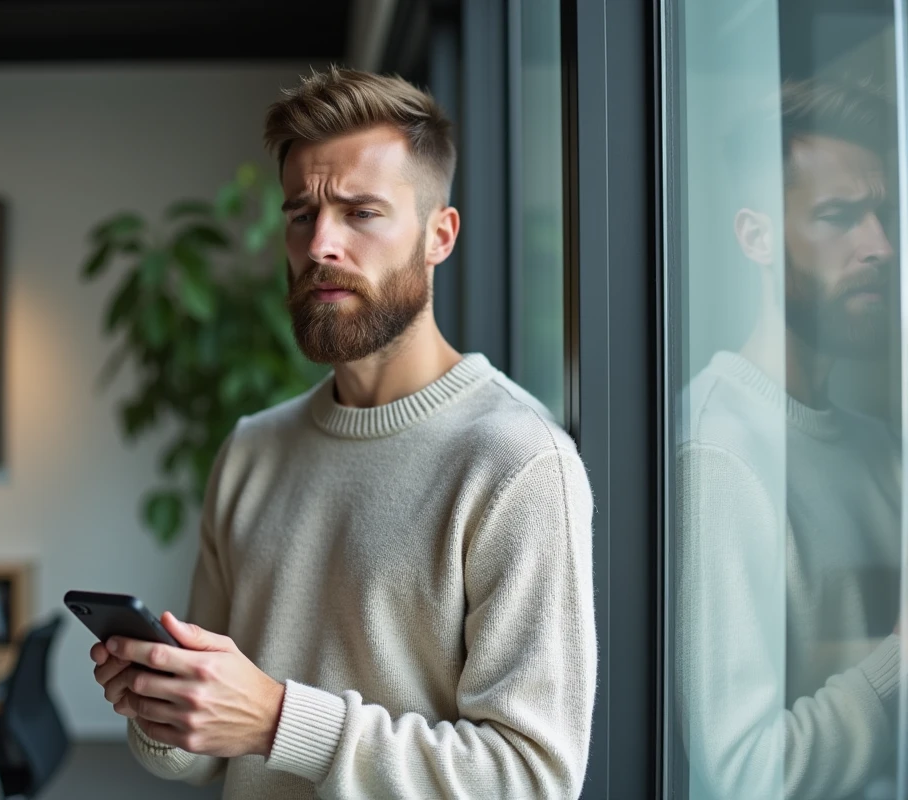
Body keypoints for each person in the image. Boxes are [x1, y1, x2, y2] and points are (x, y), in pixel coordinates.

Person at [90, 67, 596, 799]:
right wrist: (164, 708)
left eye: (361, 213)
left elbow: (532, 778)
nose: (321, 243)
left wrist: (279, 722)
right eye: (302, 215)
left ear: (439, 235)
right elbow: (207, 756)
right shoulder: (251, 451)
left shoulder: (519, 462)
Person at [676, 77, 901, 799]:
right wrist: (899, 662)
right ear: (757, 237)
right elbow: (743, 777)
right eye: (839, 216)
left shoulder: (880, 450)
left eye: (884, 216)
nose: (880, 246)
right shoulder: (716, 453)